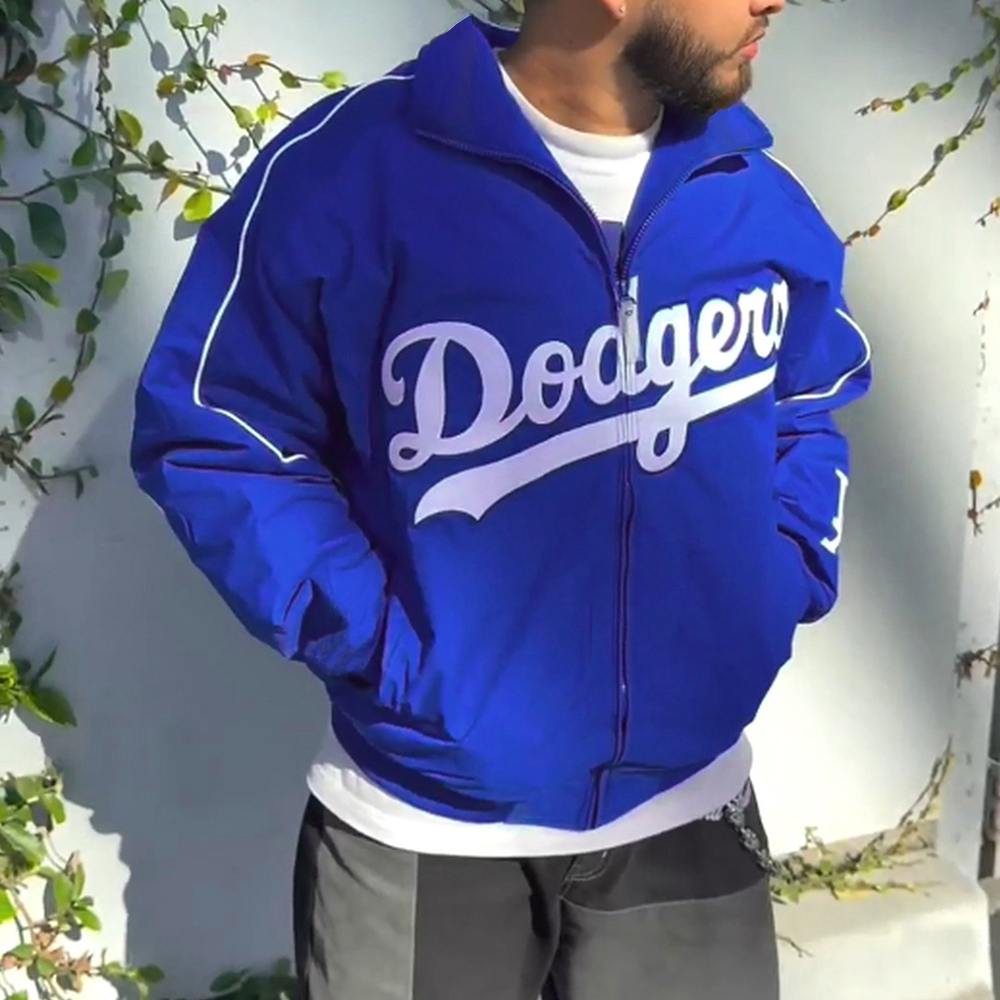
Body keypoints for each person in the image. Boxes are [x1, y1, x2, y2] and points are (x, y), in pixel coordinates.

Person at [131, 0, 872, 996]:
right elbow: (220, 434)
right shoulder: (351, 174)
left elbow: (812, 399)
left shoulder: (754, 193)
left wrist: (777, 583)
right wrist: (390, 653)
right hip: (424, 834)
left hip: (690, 815)